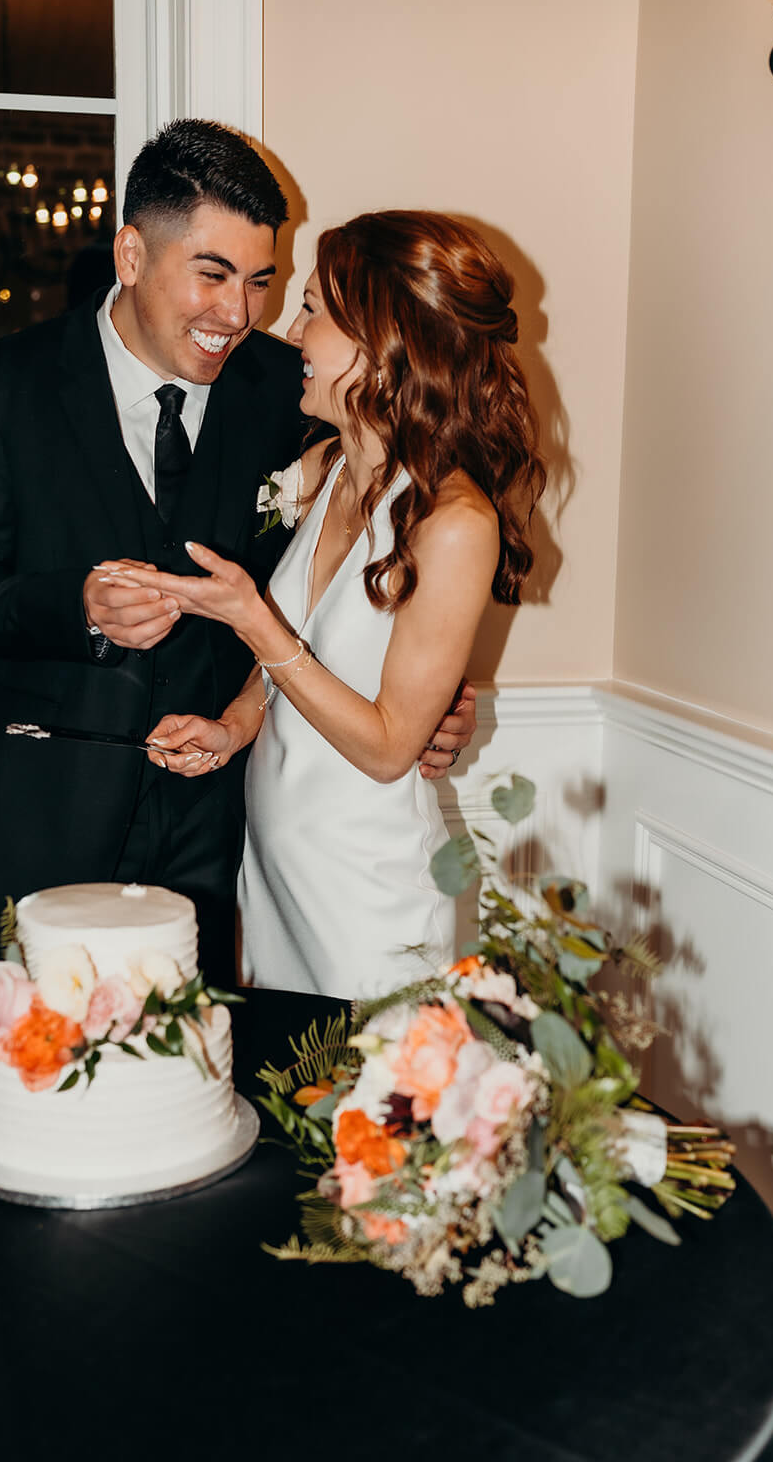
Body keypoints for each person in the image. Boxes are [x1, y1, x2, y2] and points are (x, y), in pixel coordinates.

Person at [0, 123, 475, 985]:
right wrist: (78, 607)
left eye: (261, 281)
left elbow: (382, 551)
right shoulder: (1, 386)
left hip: (224, 835)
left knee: (217, 1096)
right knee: (46, 1086)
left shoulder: (284, 390)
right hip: (45, 821)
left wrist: (431, 696)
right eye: (212, 275)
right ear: (132, 254)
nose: (239, 315)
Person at [105, 211, 544, 998]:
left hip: (366, 894)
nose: (292, 332)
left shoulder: (454, 524)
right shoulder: (330, 469)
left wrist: (253, 621)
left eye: (311, 310)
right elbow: (294, 665)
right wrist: (232, 727)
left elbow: (385, 748)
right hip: (275, 872)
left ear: (381, 340)